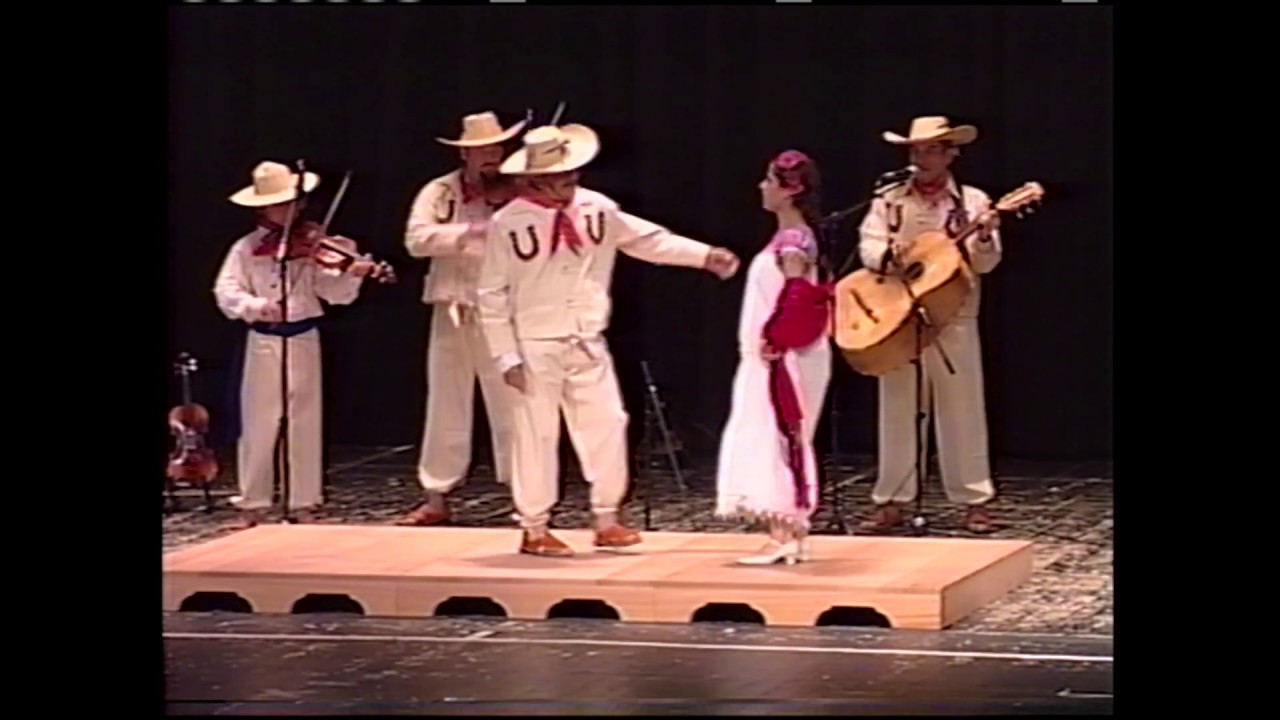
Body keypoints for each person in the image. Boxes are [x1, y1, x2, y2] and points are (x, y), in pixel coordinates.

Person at [475, 122, 741, 557]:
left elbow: (648, 240)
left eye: (571, 171)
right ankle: (535, 526)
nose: (570, 179)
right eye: (559, 174)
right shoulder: (509, 222)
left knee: (608, 422)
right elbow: (491, 293)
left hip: (585, 336)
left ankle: (606, 516)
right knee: (536, 432)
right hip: (534, 343)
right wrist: (506, 356)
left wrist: (703, 255)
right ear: (534, 179)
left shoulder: (596, 208)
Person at [856, 116, 1002, 534]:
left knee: (963, 408)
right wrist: (894, 258)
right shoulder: (890, 198)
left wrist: (985, 237)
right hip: (899, 313)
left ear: (951, 154)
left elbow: (986, 263)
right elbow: (869, 244)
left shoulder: (971, 201)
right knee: (897, 407)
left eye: (932, 150)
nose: (922, 158)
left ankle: (974, 499)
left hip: (955, 314)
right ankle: (893, 499)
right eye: (916, 150)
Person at [213, 160, 376, 527]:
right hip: (265, 340)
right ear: (262, 209)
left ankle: (304, 501)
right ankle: (253, 502)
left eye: (290, 202)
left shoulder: (315, 242)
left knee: (305, 420)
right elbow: (226, 291)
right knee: (259, 421)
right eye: (276, 205)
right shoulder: (246, 248)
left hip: (304, 337)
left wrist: (351, 273)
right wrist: (257, 306)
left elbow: (335, 295)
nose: (285, 210)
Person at [397, 111, 527, 527]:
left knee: (512, 403)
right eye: (483, 149)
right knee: (446, 403)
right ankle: (436, 496)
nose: (493, 156)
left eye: (498, 147)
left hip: (504, 310)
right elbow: (416, 240)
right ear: (465, 154)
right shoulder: (441, 192)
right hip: (453, 306)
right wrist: (469, 232)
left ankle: (527, 497)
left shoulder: (520, 190)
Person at [714, 150, 833, 565]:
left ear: (790, 190)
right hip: (777, 355)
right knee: (778, 437)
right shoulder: (791, 237)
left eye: (769, 181)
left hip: (783, 356)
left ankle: (785, 535)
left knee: (780, 438)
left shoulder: (793, 241)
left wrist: (777, 337)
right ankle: (790, 532)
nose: (762, 187)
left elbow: (796, 293)